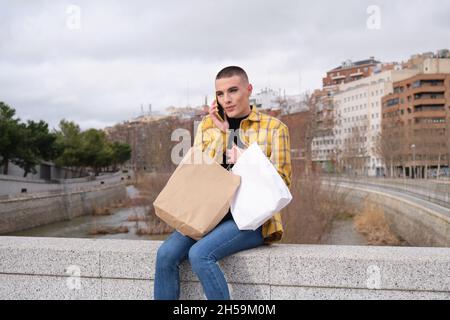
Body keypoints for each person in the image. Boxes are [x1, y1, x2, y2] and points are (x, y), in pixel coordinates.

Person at [154, 66, 292, 300]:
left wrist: (247, 157)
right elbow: (198, 170)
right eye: (220, 94)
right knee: (165, 254)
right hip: (208, 213)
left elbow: (283, 181)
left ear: (249, 90)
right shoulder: (209, 127)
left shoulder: (275, 128)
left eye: (233, 91)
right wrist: (224, 132)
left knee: (200, 254)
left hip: (251, 219)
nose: (226, 99)